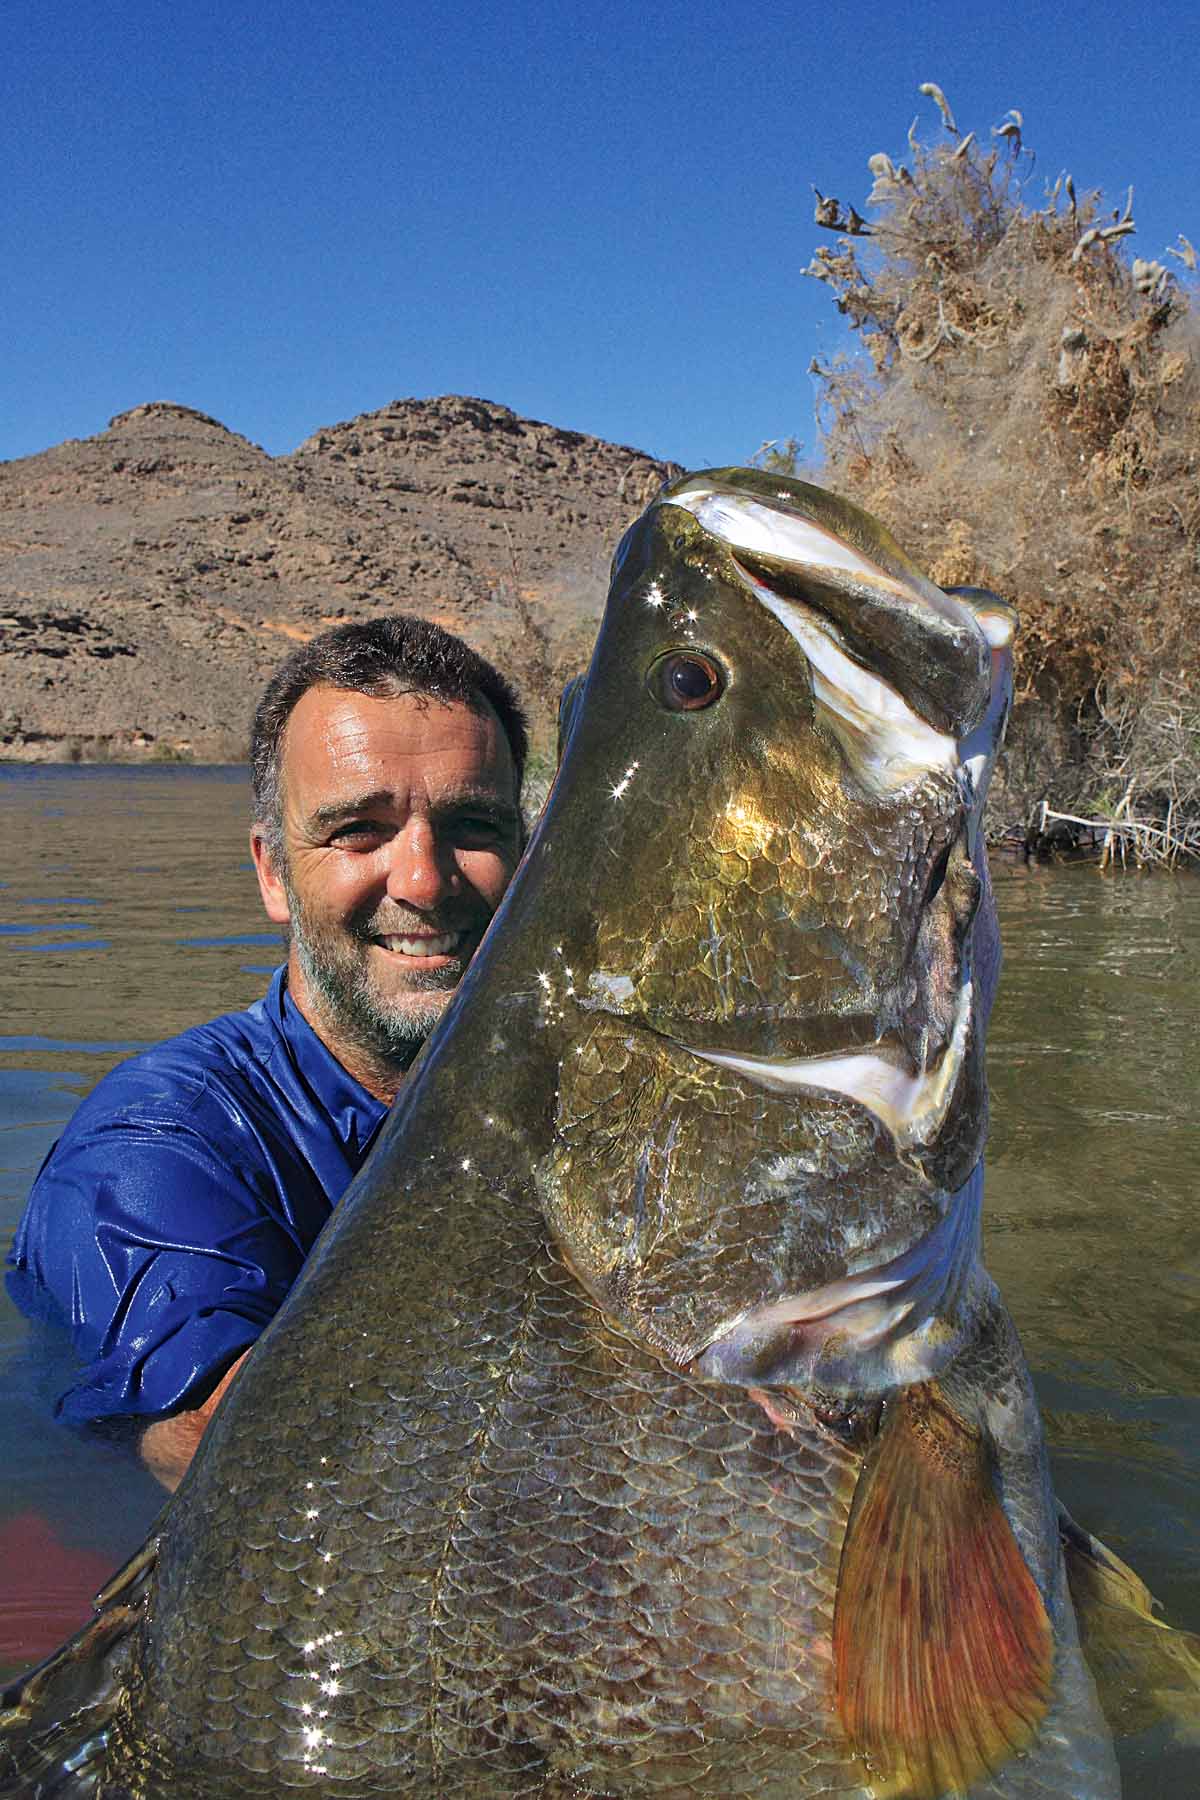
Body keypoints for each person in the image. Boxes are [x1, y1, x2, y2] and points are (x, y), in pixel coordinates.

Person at [8, 617, 527, 1489]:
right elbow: (234, 1447)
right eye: (360, 830)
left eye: (473, 825)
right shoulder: (154, 1142)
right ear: (274, 873)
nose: (425, 879)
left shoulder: (579, 1097)